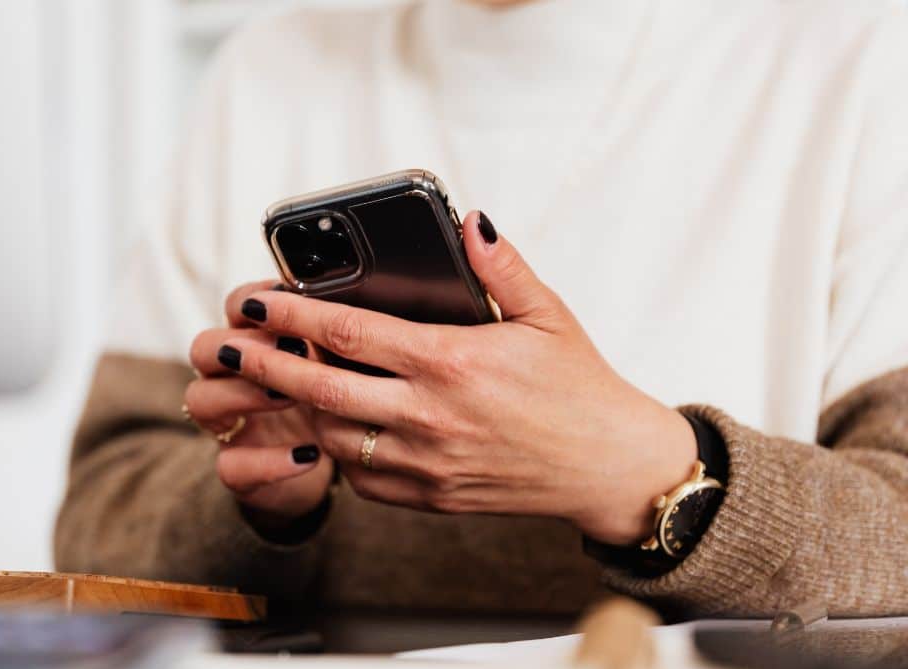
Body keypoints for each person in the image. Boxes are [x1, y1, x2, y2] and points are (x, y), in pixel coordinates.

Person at [55, 0, 908, 618]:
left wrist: (643, 472)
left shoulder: (859, 56)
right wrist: (258, 507)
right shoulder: (268, 69)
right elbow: (96, 522)